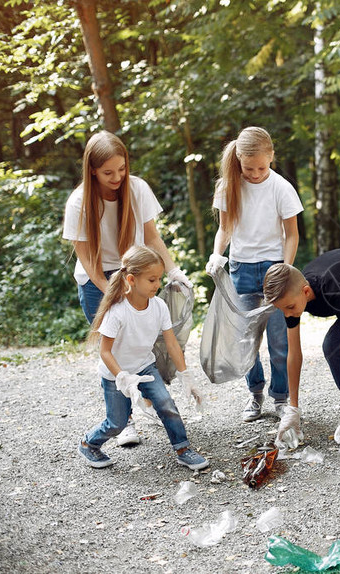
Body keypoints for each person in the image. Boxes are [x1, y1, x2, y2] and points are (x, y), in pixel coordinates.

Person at [62, 130, 192, 448]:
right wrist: (113, 292)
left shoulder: (137, 189)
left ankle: (148, 400)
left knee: (144, 342)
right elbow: (88, 259)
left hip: (135, 270)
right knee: (115, 349)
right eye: (108, 172)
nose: (117, 177)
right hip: (97, 282)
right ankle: (126, 422)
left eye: (122, 169)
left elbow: (152, 236)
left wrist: (173, 270)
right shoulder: (79, 202)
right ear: (91, 170)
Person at [77, 245, 208, 471]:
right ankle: (89, 443)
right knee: (117, 423)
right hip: (115, 375)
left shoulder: (159, 306)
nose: (158, 285)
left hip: (145, 368)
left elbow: (171, 343)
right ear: (131, 279)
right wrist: (123, 378)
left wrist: (186, 376)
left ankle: (183, 449)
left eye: (159, 278)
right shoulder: (116, 311)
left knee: (166, 404)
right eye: (152, 280)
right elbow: (105, 352)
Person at [205, 127, 303, 422]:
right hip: (241, 269)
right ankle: (255, 394)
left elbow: (292, 235)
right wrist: (216, 254)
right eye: (249, 168)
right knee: (245, 340)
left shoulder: (282, 188)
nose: (256, 173)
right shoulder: (228, 187)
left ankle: (281, 398)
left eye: (262, 167)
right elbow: (225, 228)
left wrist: (286, 268)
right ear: (238, 159)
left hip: (274, 268)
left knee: (278, 341)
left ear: (272, 156)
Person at [262, 249, 340, 449]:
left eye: (289, 308)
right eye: (282, 309)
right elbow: (294, 353)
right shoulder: (291, 297)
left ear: (306, 292)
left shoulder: (335, 291)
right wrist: (293, 408)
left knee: (334, 344)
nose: (287, 313)